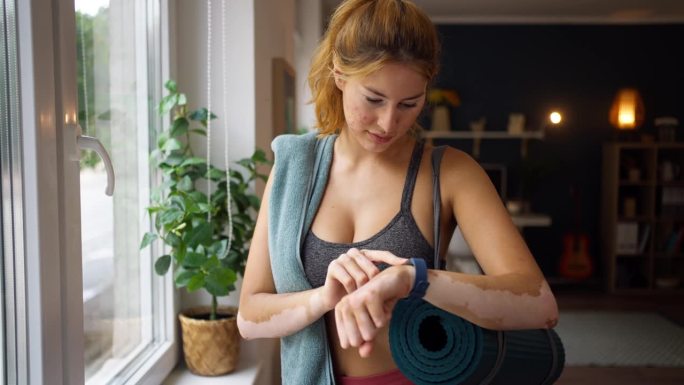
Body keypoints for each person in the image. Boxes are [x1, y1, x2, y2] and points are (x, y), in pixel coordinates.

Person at [237, 0, 559, 384]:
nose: (389, 123)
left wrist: (413, 278)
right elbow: (249, 317)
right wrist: (324, 298)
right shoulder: (292, 167)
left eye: (409, 104)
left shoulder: (451, 172)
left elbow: (539, 304)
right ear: (339, 75)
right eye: (373, 100)